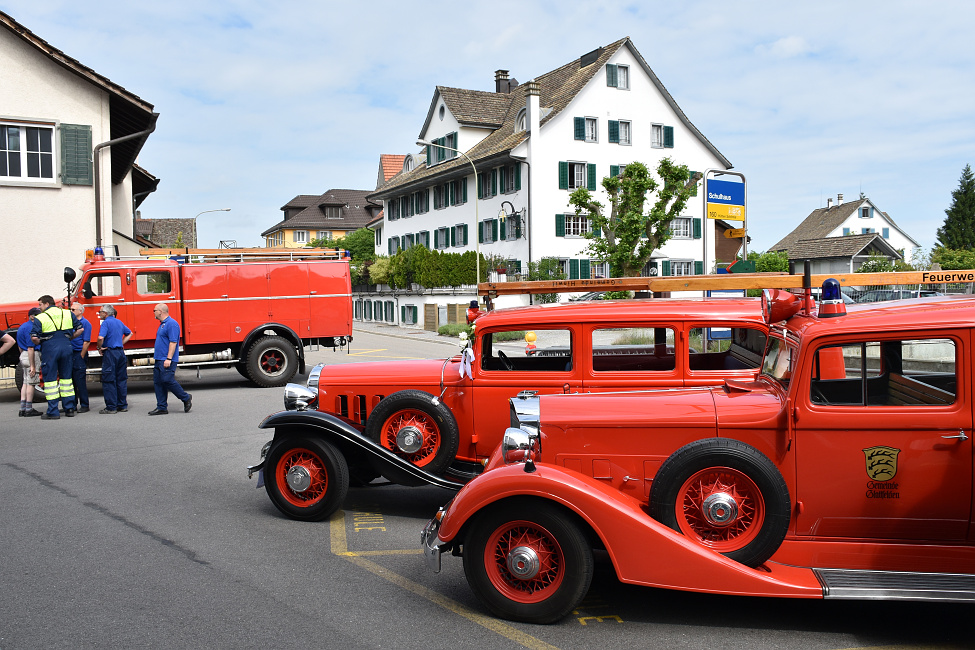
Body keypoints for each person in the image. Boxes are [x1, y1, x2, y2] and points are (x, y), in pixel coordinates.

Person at [31, 295, 83, 420]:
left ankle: (53, 411)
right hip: (66, 346)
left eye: (40, 305)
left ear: (47, 304)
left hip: (50, 348)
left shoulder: (40, 318)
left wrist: (41, 343)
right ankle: (69, 408)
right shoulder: (67, 314)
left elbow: (34, 337)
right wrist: (69, 338)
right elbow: (80, 329)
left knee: (50, 381)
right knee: (67, 379)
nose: (39, 307)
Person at [149, 303, 191, 415]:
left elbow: (173, 342)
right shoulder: (162, 324)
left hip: (166, 359)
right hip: (159, 359)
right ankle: (161, 407)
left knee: (167, 380)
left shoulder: (172, 324)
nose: (153, 312)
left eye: (154, 310)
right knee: (158, 383)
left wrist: (168, 358)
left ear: (161, 311)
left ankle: (186, 397)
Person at [96, 304, 132, 414]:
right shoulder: (118, 322)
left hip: (110, 353)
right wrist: (120, 343)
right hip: (120, 352)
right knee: (121, 379)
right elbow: (129, 333)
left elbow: (100, 337)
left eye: (100, 311)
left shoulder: (106, 323)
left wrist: (99, 347)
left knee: (109, 379)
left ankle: (111, 407)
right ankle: (122, 405)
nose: (99, 313)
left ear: (106, 313)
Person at [16, 308, 43, 416]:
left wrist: (23, 356)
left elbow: (20, 345)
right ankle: (28, 409)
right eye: (38, 315)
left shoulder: (22, 327)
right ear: (32, 316)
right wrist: (32, 366)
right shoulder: (31, 327)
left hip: (24, 354)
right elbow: (31, 347)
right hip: (31, 355)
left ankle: (22, 408)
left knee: (25, 383)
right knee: (31, 383)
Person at [70, 303, 93, 413]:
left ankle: (84, 404)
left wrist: (82, 355)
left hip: (78, 353)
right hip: (71, 353)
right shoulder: (70, 322)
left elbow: (86, 341)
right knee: (71, 381)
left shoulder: (85, 323)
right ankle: (72, 404)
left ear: (80, 311)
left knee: (80, 381)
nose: (71, 311)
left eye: (73, 309)